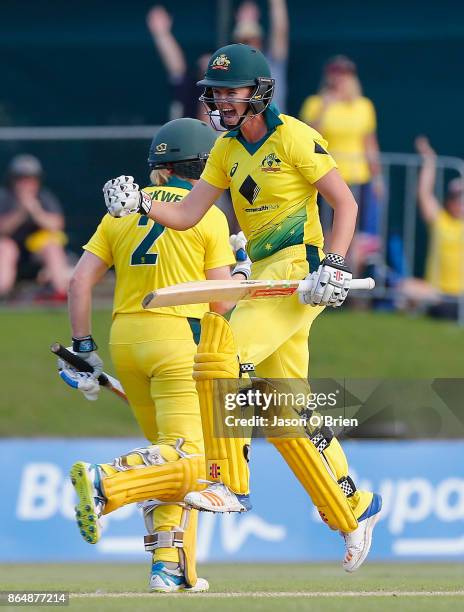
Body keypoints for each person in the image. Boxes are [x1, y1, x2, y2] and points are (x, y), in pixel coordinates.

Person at [103, 44, 382, 573]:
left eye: (230, 92)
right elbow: (185, 213)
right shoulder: (226, 151)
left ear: (258, 93)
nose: (220, 101)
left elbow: (345, 203)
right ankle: (354, 507)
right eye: (216, 92)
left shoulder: (295, 135)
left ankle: (226, 481)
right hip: (263, 273)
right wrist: (142, 201)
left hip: (300, 273)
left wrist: (336, 265)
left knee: (221, 355)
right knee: (284, 414)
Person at [61, 118, 240, 592]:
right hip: (180, 336)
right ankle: (107, 482)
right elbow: (222, 302)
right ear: (203, 166)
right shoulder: (210, 214)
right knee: (193, 459)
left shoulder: (120, 211)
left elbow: (79, 281)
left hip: (126, 339)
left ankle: (168, 567)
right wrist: (242, 274)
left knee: (174, 461)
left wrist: (82, 350)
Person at [299, 56, 384, 276]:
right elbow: (305, 137)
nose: (339, 79)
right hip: (325, 177)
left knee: (355, 233)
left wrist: (378, 178)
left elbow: (369, 144)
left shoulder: (364, 106)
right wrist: (324, 108)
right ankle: (325, 277)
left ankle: (348, 283)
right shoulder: (315, 103)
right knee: (326, 231)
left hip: (358, 178)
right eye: (334, 73)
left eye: (344, 74)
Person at [398, 137, 464, 319]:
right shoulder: (440, 220)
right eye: (457, 199)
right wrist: (430, 160)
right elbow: (424, 194)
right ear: (449, 201)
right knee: (405, 287)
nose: (460, 204)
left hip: (461, 295)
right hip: (437, 293)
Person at [0, 154, 69, 301]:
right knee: (6, 248)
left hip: (36, 258)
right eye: (21, 179)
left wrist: (35, 211)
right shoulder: (4, 197)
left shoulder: (44, 197)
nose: (26, 183)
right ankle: (2, 293)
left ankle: (60, 291)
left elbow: (57, 225)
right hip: (9, 257)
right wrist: (20, 212)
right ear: (13, 180)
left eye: (30, 179)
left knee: (51, 246)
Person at [233, 0, 289, 112]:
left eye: (252, 39)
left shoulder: (272, 61)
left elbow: (280, 29)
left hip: (274, 127)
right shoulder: (231, 66)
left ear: (259, 41)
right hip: (242, 126)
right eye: (244, 40)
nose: (248, 44)